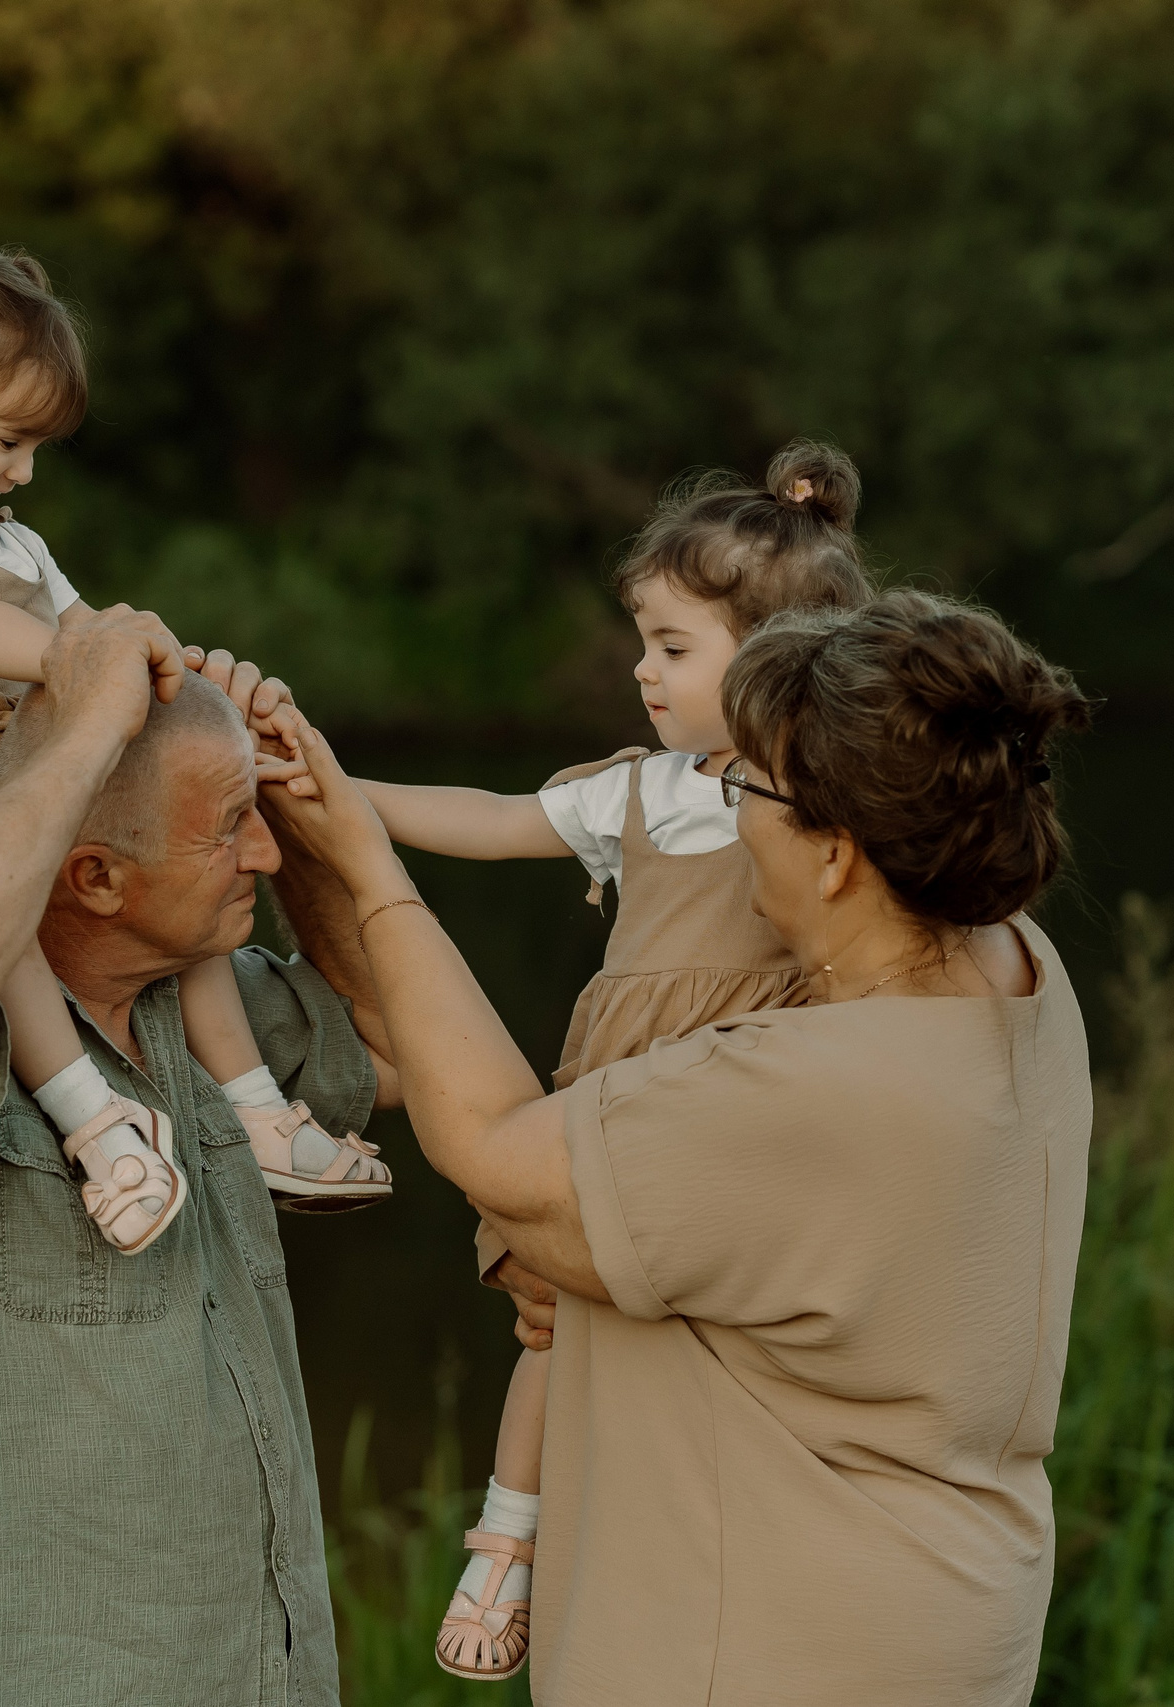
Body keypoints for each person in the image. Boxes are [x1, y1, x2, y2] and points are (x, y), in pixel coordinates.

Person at [261, 588, 1098, 1704]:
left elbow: (495, 1147)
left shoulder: (798, 1094)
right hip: (945, 1619)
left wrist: (365, 870)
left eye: (746, 786)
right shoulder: (1017, 967)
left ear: (838, 855)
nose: (729, 814)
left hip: (764, 1652)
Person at [0, 606, 395, 1703]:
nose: (260, 854)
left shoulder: (208, 1011)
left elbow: (405, 1046)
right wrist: (92, 726)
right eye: (231, 828)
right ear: (95, 878)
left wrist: (297, 805)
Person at [345, 441, 874, 1679]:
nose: (641, 670)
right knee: (555, 1324)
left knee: (696, 1339)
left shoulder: (824, 804)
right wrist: (334, 787)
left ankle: (712, 1547)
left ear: (775, 657)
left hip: (738, 1110)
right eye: (644, 642)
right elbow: (491, 818)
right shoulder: (640, 794)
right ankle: (507, 1537)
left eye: (671, 647)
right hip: (617, 1107)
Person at [0, 211, 387, 1259]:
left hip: (5, 799)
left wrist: (181, 675)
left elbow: (90, 631)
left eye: (34, 449)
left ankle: (255, 1110)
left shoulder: (12, 543)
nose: (21, 471)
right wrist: (92, 663)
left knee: (173, 893)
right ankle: (96, 1124)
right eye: (7, 441)